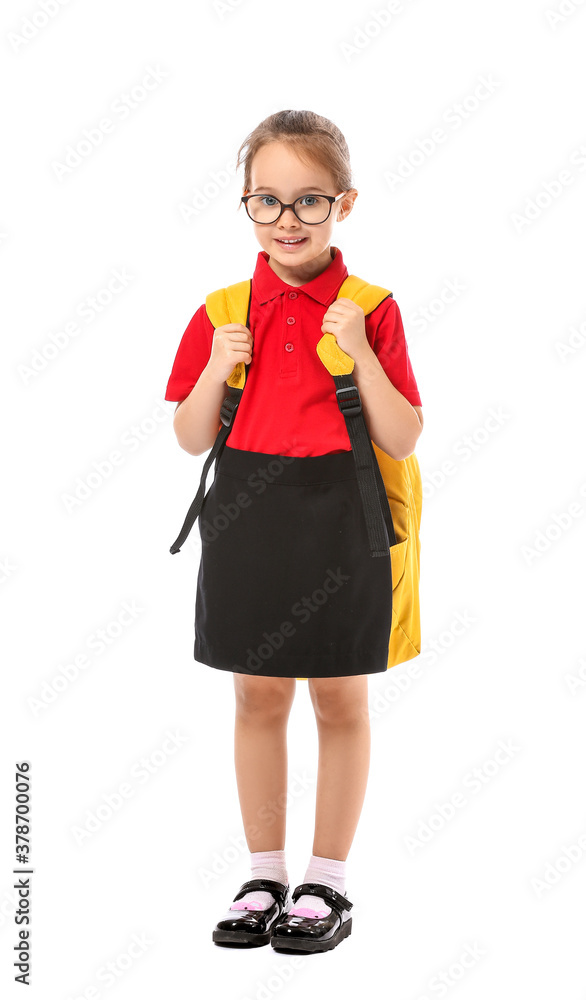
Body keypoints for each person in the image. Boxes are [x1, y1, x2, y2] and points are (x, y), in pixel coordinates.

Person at [164, 109, 423, 953]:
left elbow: (403, 436)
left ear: (344, 205)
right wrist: (214, 363)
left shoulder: (370, 307)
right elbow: (192, 436)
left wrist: (361, 351)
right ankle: (264, 873)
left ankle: (327, 883)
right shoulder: (221, 309)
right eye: (267, 201)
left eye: (309, 202)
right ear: (245, 202)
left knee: (342, 697)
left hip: (344, 515)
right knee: (256, 695)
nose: (286, 221)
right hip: (249, 518)